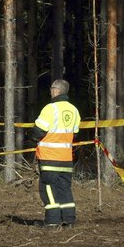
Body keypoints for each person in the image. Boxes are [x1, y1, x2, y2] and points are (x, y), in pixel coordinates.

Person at [32, 79, 81, 227]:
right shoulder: (74, 110)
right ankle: (69, 220)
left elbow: (38, 131)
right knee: (64, 189)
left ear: (56, 90)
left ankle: (52, 222)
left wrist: (32, 138)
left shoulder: (50, 109)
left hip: (49, 157)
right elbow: (76, 133)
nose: (50, 90)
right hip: (66, 158)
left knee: (48, 189)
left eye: (51, 88)